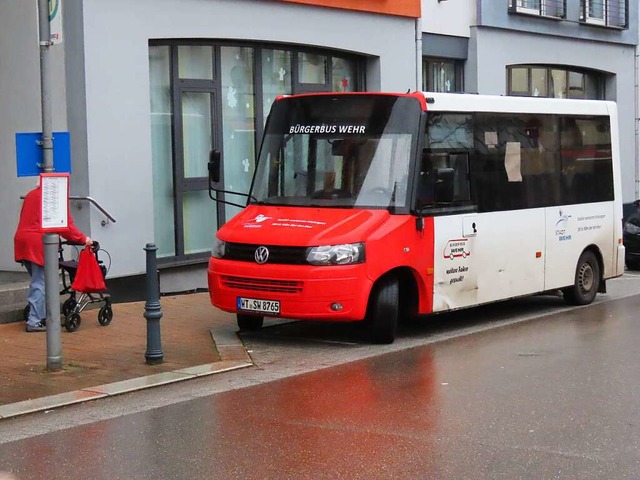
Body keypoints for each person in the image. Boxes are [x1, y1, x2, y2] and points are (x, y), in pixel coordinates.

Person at [14, 185, 92, 332]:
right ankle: (34, 321)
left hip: (23, 241)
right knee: (40, 282)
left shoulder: (31, 194)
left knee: (39, 280)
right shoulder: (55, 198)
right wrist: (83, 239)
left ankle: (39, 314)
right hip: (38, 243)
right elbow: (65, 226)